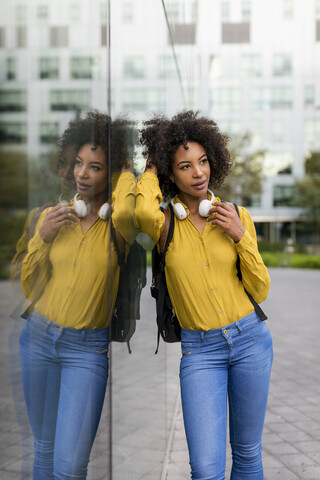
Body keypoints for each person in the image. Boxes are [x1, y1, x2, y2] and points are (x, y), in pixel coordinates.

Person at [135, 110, 273, 480]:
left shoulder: (236, 215)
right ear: (170, 173)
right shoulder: (164, 224)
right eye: (184, 165)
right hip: (200, 353)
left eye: (203, 161)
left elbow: (260, 289)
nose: (199, 173)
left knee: (247, 455)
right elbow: (138, 208)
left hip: (250, 341)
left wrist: (240, 236)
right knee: (206, 469)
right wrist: (149, 168)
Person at [19, 111, 137, 480]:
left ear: (112, 171)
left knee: (69, 467)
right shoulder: (51, 217)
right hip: (37, 338)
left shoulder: (120, 226)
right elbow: (30, 287)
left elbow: (139, 205)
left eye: (95, 166)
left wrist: (128, 169)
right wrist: (43, 237)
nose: (82, 173)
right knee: (44, 451)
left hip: (86, 350)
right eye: (78, 163)